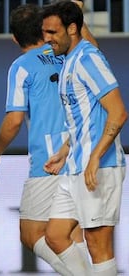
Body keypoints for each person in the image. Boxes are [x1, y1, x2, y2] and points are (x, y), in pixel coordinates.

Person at [0, 3, 95, 275]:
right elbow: (94, 52)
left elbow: (14, 121)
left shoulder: (21, 66)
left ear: (14, 38)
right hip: (81, 150)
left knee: (31, 233)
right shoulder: (69, 52)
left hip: (49, 158)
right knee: (72, 231)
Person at [42, 1, 127, 275]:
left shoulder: (89, 59)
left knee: (97, 244)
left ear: (72, 29)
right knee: (55, 235)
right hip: (75, 164)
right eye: (45, 32)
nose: (46, 38)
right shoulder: (71, 59)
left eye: (52, 32)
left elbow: (118, 112)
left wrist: (95, 156)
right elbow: (83, 116)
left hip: (99, 165)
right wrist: (66, 149)